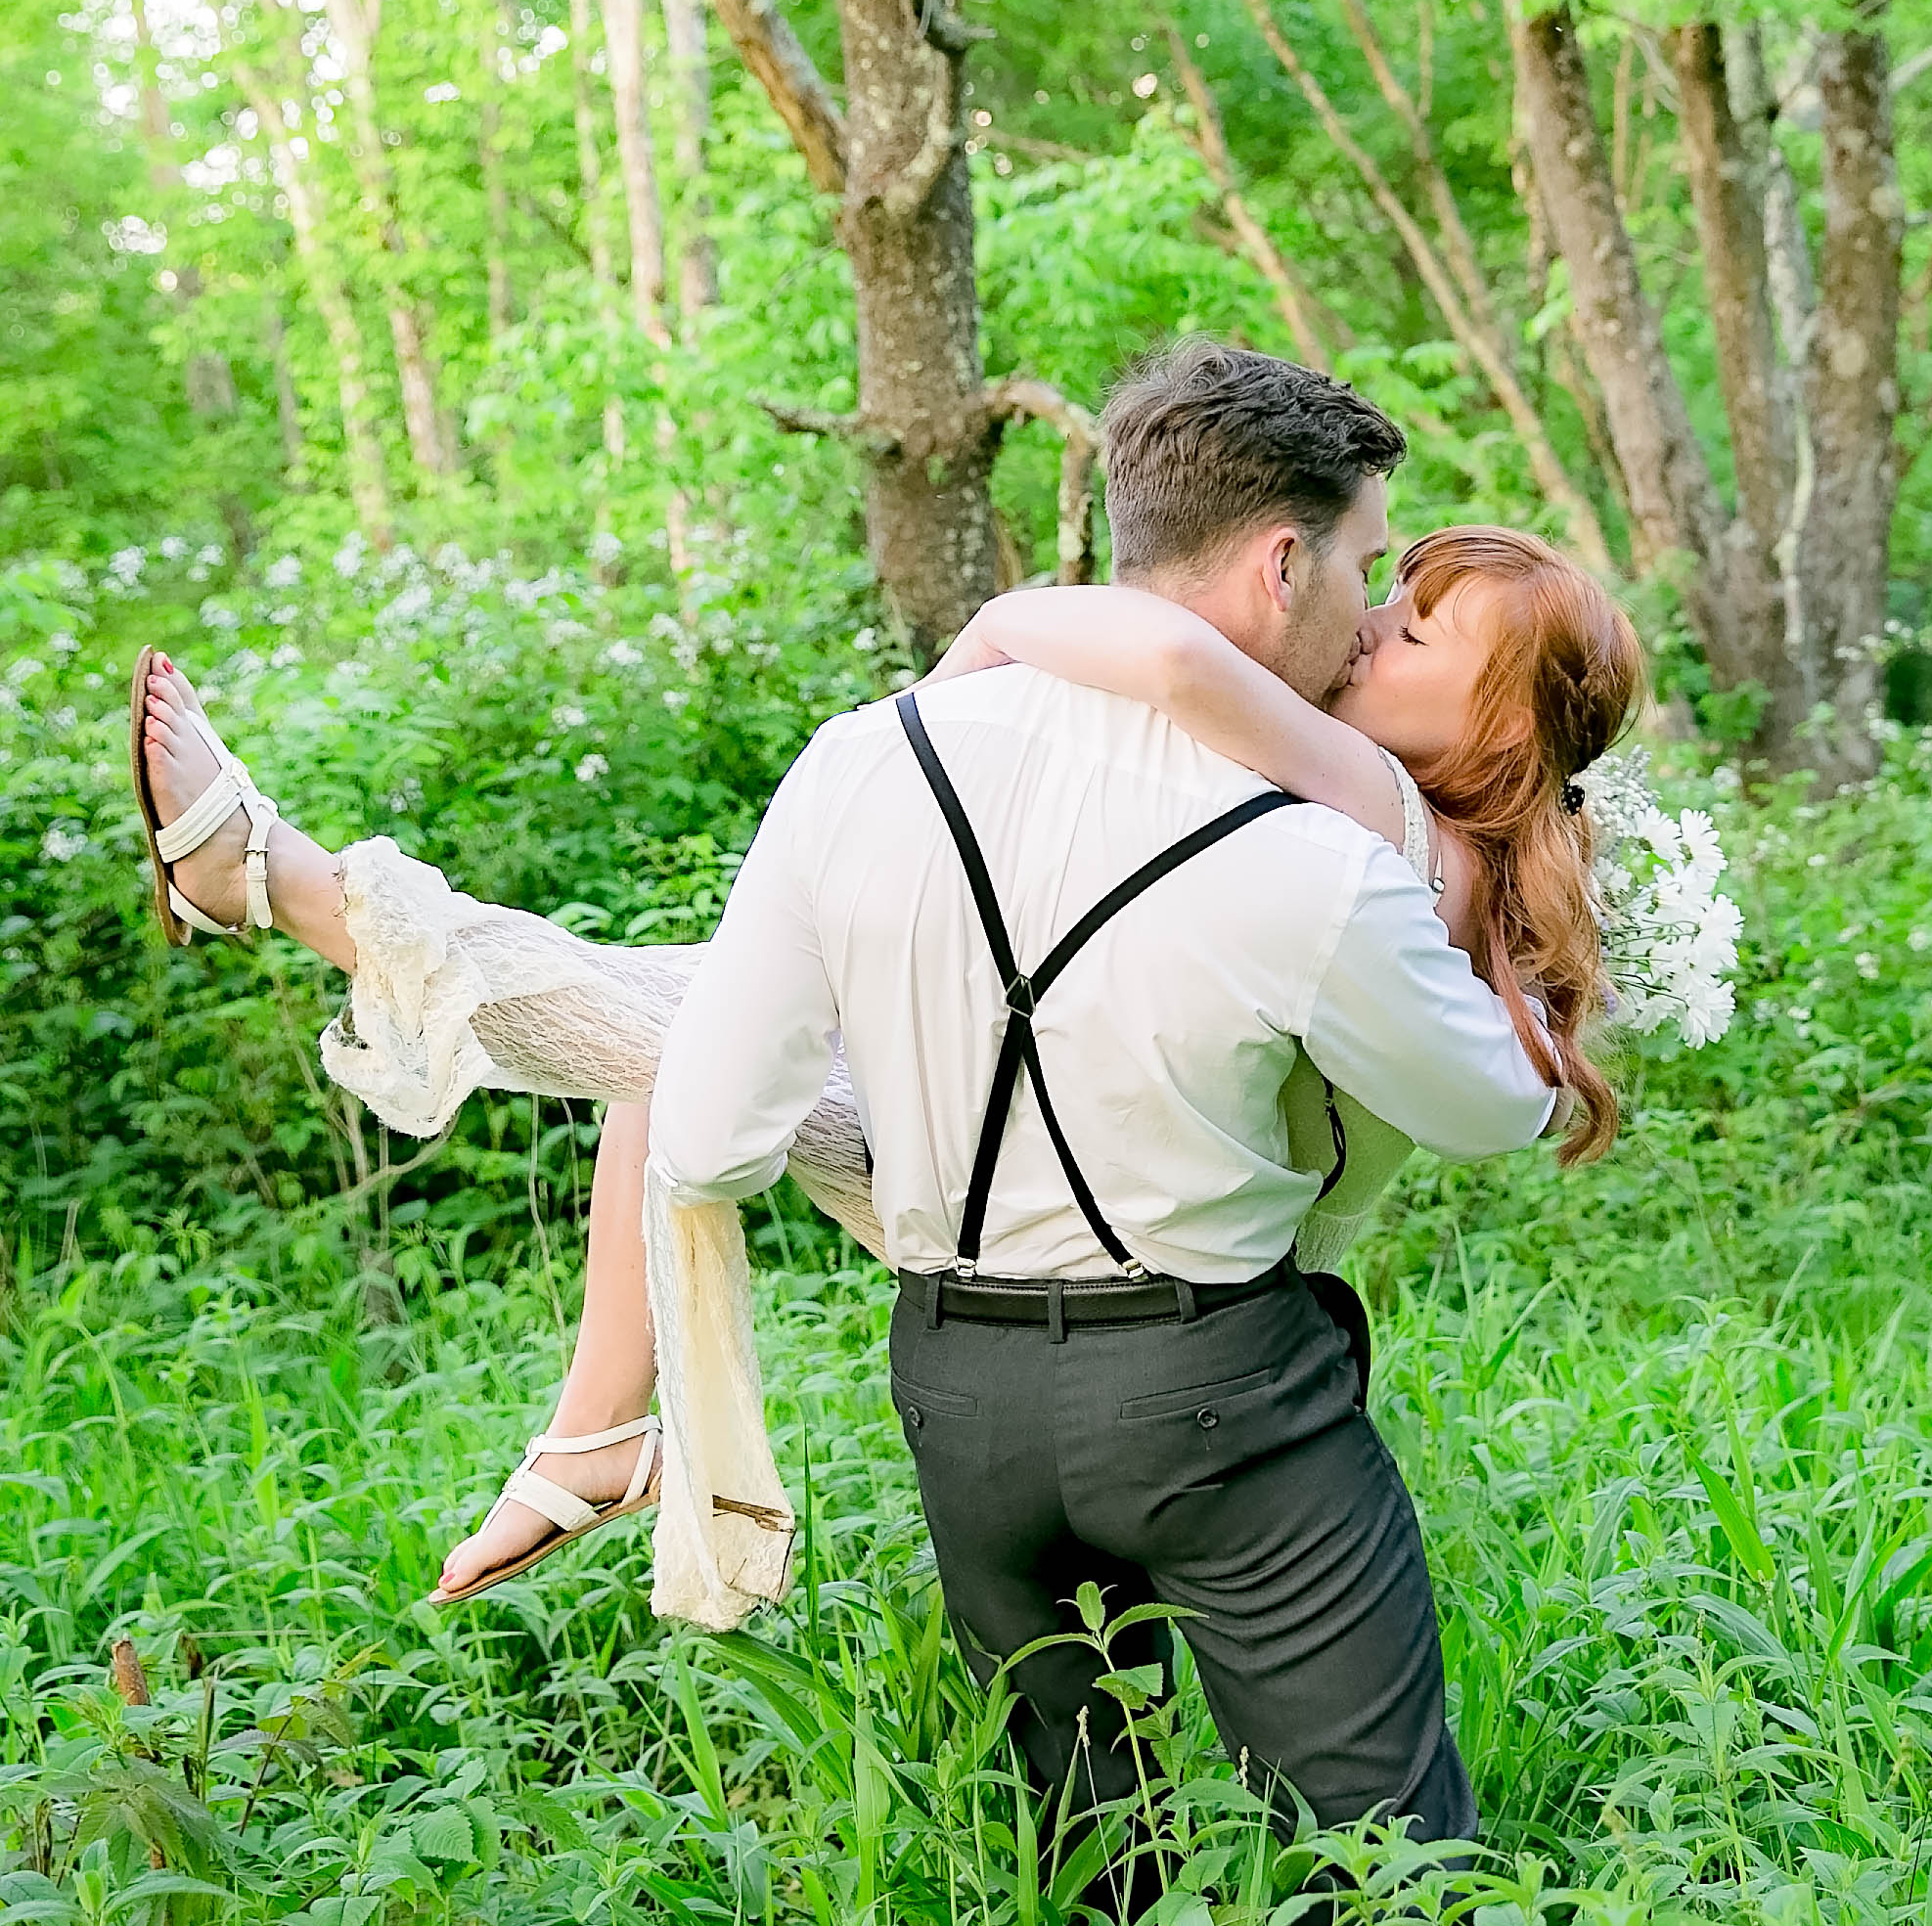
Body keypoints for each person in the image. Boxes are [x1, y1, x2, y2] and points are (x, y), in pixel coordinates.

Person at [128, 349, 1643, 1653]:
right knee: (688, 1028)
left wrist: (986, 643)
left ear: (1500, 717)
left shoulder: (1375, 804)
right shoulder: (1411, 818)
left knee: (686, 1040)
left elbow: (1179, 656)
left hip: (1122, 1231)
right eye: (1376, 581)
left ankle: (287, 891)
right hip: (1102, 1201)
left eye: (1416, 621)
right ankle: (590, 1418)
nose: (1374, 620)